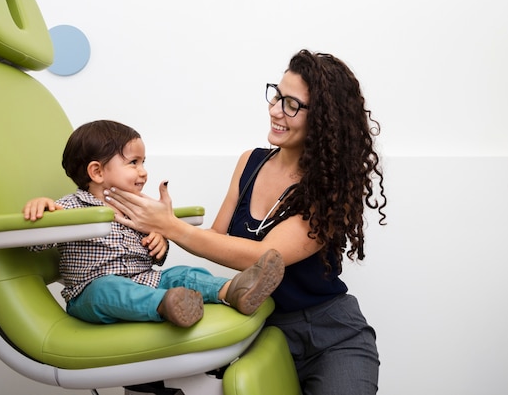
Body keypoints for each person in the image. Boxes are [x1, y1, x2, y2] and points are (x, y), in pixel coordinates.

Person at [103, 50, 387, 395]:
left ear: (323, 119)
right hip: (260, 329)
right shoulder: (249, 162)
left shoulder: (331, 185)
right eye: (276, 95)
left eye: (291, 104)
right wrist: (158, 229)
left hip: (329, 335)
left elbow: (266, 257)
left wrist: (171, 227)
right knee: (144, 377)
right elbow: (217, 238)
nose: (275, 110)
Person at [23, 120, 284, 328]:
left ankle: (233, 291)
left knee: (180, 274)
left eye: (143, 162)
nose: (143, 171)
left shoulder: (140, 208)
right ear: (97, 172)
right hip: (91, 292)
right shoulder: (70, 207)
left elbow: (156, 258)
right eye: (133, 163)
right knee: (109, 289)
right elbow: (36, 246)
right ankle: (168, 305)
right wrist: (42, 209)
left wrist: (159, 241)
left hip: (144, 279)